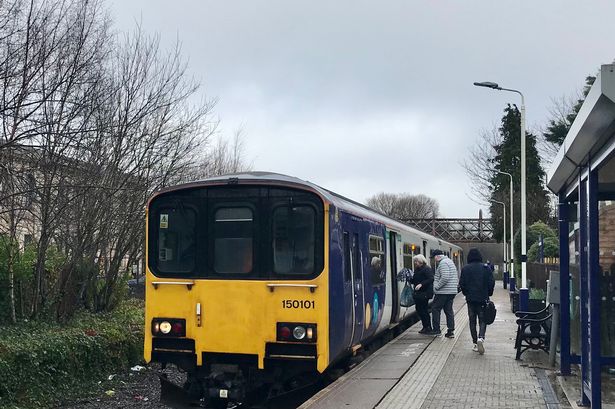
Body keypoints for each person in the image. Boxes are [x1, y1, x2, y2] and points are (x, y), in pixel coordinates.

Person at [460, 248, 495, 355]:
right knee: (482, 320)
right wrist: (489, 293)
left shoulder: (465, 269)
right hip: (483, 299)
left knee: (472, 321)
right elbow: (491, 283)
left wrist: (466, 293)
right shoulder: (486, 268)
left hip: (471, 299)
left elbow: (462, 284)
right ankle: (481, 338)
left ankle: (475, 343)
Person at [429, 250, 459, 337]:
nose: (434, 260)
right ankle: (450, 331)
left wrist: (437, 287)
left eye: (434, 257)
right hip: (450, 291)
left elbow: (445, 277)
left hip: (443, 291)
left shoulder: (443, 263)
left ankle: (436, 330)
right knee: (448, 310)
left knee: (435, 309)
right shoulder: (449, 261)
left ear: (437, 256)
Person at [411, 254, 434, 334]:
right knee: (419, 309)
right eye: (415, 261)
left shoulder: (427, 269)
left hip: (425, 293)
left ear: (421, 261)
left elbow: (431, 279)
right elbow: (415, 280)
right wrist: (410, 279)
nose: (415, 263)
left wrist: (421, 284)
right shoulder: (417, 269)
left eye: (416, 261)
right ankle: (425, 326)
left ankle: (428, 327)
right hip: (419, 293)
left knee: (423, 310)